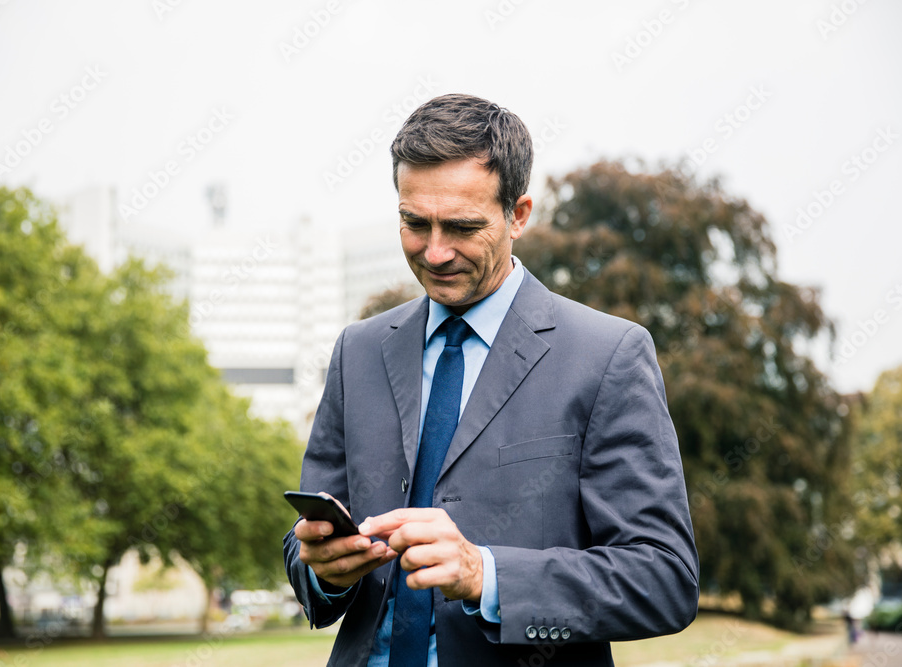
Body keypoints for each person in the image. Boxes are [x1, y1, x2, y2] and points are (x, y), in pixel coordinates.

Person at [283, 93, 699, 666]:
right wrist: (323, 570)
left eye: (461, 226)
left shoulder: (609, 356)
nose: (435, 252)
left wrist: (487, 575)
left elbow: (664, 578)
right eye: (414, 223)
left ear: (518, 215)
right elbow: (307, 545)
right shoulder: (358, 351)